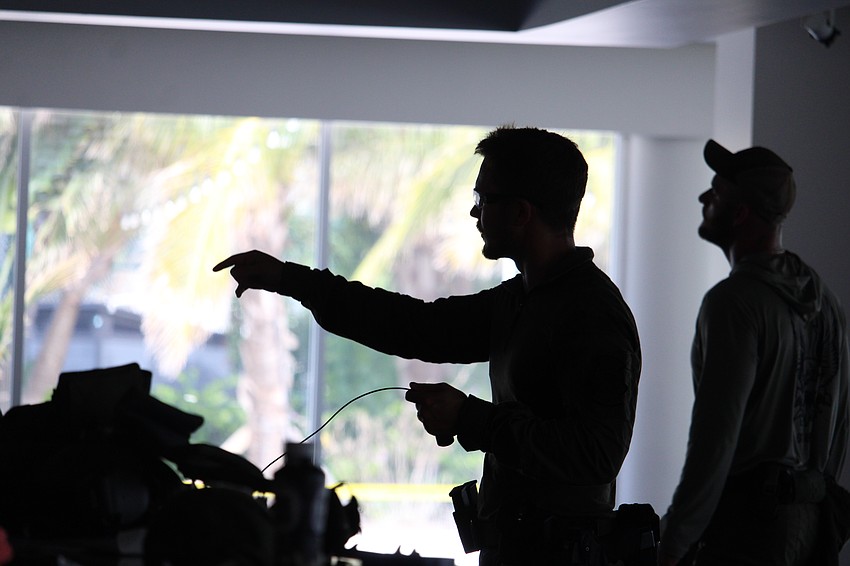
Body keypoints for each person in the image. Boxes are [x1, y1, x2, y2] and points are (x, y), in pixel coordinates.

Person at [214, 126, 642, 566]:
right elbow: (416, 326)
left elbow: (596, 454)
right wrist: (291, 279)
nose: (474, 213)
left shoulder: (590, 314)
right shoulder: (523, 300)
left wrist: (470, 417)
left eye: (483, 199)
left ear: (520, 213)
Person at [658, 140, 850, 565]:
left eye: (717, 191)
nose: (704, 198)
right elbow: (838, 425)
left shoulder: (733, 303)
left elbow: (715, 441)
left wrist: (672, 542)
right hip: (814, 528)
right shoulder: (825, 301)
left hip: (749, 533)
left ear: (740, 212)